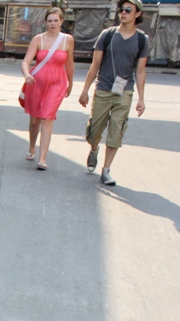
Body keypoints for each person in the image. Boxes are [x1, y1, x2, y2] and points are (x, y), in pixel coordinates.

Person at [79, 0, 149, 186]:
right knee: (94, 131)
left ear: (137, 14)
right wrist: (85, 90)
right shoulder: (107, 35)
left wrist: (141, 98)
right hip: (103, 88)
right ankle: (94, 149)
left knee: (116, 131)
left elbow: (140, 71)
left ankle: (106, 170)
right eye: (121, 9)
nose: (123, 12)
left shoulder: (142, 40)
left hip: (124, 92)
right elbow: (95, 65)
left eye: (128, 10)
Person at [21, 8, 74, 170]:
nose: (52, 23)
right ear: (46, 22)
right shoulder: (38, 39)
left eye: (55, 20)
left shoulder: (67, 40)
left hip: (57, 83)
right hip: (36, 82)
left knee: (47, 118)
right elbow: (25, 61)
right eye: (49, 20)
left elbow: (69, 64)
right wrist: (26, 75)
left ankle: (42, 158)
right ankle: (32, 147)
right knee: (35, 119)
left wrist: (70, 84)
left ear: (61, 21)